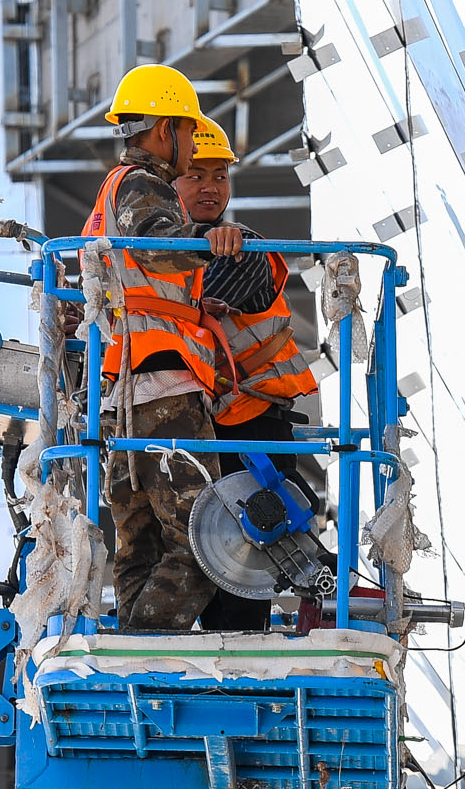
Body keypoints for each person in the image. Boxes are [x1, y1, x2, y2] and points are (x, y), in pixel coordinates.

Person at [83, 65, 243, 630]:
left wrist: (195, 309)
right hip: (164, 392)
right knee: (206, 546)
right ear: (163, 130)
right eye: (185, 129)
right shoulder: (142, 185)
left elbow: (134, 285)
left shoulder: (109, 194)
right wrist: (209, 240)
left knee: (139, 545)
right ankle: (145, 644)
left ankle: (129, 655)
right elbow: (156, 244)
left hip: (120, 398)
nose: (189, 143)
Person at [174, 117, 316, 632]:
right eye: (196, 175)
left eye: (220, 176)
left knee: (252, 539)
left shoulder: (240, 248)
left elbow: (189, 305)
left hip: (252, 419)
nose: (211, 186)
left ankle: (255, 635)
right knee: (211, 542)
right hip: (211, 422)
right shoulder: (164, 253)